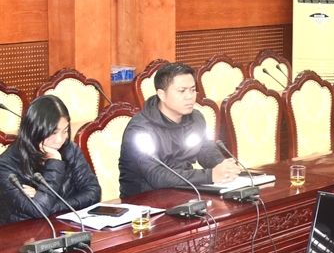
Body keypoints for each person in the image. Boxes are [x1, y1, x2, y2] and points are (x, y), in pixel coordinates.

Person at [118, 62, 242, 198]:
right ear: (162, 95)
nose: (190, 96)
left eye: (193, 90)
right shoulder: (140, 130)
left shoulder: (196, 118)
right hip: (144, 201)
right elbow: (157, 176)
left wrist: (222, 166)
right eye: (182, 91)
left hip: (184, 192)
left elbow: (205, 149)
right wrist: (210, 175)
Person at [0, 95, 101, 225]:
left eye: (65, 131)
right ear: (34, 130)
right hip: (25, 233)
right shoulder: (6, 166)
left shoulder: (69, 149)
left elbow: (93, 192)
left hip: (64, 226)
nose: (60, 140)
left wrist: (52, 204)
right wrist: (55, 162)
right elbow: (39, 210)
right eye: (53, 132)